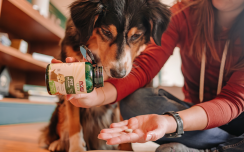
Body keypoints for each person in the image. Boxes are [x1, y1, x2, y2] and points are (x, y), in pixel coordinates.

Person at [54, 0, 244, 151]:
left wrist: (172, 122)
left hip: (238, 115)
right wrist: (98, 96)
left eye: (135, 36)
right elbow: (144, 68)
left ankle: (213, 148)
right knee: (136, 102)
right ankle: (231, 145)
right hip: (195, 112)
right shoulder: (183, 12)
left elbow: (233, 101)